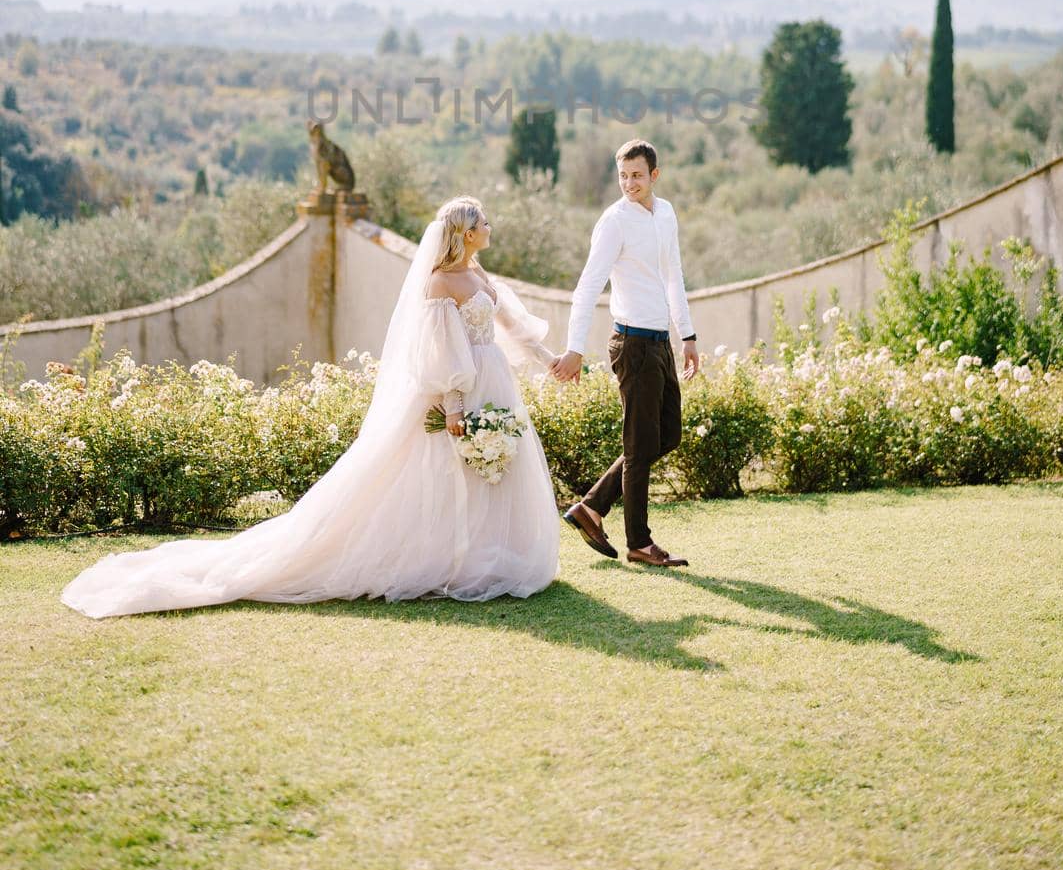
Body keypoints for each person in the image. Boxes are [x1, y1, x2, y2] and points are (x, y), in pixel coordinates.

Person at [60, 197, 562, 618]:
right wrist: (454, 408)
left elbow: (510, 324)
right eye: (484, 223)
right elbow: (440, 353)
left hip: (494, 381)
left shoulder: (478, 272)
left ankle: (488, 556)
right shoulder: (438, 284)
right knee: (440, 472)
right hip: (461, 390)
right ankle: (445, 558)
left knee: (492, 471)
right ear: (465, 233)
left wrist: (549, 358)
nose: (490, 228)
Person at [552, 139, 697, 568]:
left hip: (660, 344)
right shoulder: (613, 222)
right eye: (623, 176)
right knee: (639, 446)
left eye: (637, 175)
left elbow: (674, 276)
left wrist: (687, 335)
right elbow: (588, 287)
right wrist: (574, 348)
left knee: (668, 435)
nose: (629, 183)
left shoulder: (666, 213)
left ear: (654, 175)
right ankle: (640, 543)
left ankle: (591, 507)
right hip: (631, 343)